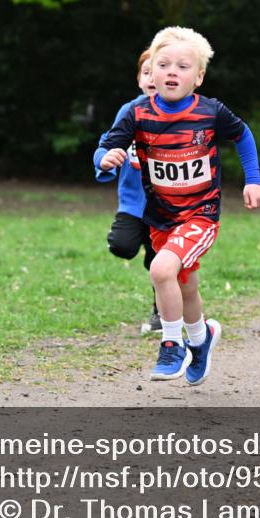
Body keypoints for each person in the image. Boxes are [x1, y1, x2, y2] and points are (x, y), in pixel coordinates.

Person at [99, 27, 260, 384]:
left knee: (161, 271)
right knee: (184, 286)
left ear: (199, 76)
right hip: (161, 217)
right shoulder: (137, 114)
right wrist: (105, 158)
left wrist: (252, 180)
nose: (172, 71)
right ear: (150, 72)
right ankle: (201, 341)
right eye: (164, 64)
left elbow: (243, 135)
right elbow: (105, 145)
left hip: (200, 215)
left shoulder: (210, 111)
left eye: (183, 66)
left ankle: (172, 345)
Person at [94, 50, 161, 333]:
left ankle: (162, 314)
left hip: (168, 207)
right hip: (133, 203)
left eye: (155, 71)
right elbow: (104, 145)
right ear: (139, 79)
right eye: (146, 72)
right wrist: (104, 160)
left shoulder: (183, 115)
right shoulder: (130, 111)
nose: (151, 78)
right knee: (123, 245)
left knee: (160, 264)